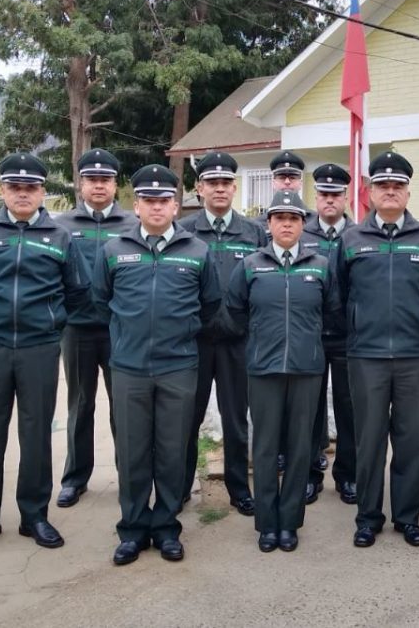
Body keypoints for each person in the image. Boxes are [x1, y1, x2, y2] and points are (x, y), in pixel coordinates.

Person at [0, 151, 89, 555]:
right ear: (3, 190)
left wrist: (51, 322)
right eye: (15, 187)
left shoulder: (59, 238)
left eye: (31, 188)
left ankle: (34, 516)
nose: (23, 194)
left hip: (39, 349)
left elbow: (77, 291)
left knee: (36, 434)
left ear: (42, 192)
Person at [92, 164, 222, 565]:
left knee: (170, 451)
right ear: (136, 204)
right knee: (132, 453)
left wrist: (179, 333)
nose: (157, 207)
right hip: (129, 368)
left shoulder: (197, 251)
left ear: (175, 205)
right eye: (149, 200)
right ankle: (132, 529)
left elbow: (210, 304)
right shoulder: (113, 250)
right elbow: (101, 302)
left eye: (164, 200)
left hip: (178, 367)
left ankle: (166, 528)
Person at [337, 151, 419, 548]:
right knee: (369, 441)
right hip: (366, 356)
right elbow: (337, 295)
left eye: (397, 186)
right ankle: (367, 517)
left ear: (408, 192)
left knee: (412, 439)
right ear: (369, 191)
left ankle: (408, 517)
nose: (390, 192)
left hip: (416, 356)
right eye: (382, 185)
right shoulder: (351, 239)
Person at [227, 190, 340, 553]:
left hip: (307, 369)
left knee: (298, 448)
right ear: (269, 224)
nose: (287, 224)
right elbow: (235, 309)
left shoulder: (320, 264)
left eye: (293, 219)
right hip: (263, 369)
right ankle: (267, 522)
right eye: (279, 218)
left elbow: (332, 309)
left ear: (303, 224)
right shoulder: (250, 265)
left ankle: (289, 522)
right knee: (264, 447)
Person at [179, 151, 266, 517]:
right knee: (187, 417)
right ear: (199, 188)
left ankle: (237, 487)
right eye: (211, 182)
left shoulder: (253, 232)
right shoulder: (184, 232)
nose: (219, 189)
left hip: (237, 341)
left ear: (235, 187)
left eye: (225, 183)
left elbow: (264, 282)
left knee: (235, 418)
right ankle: (180, 486)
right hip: (194, 341)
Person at [55, 148, 136, 509]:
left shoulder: (131, 226)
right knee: (80, 404)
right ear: (81, 184)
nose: (99, 186)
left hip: (120, 330)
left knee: (124, 406)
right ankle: (75, 478)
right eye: (92, 180)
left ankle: (129, 475)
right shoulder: (62, 227)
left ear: (115, 185)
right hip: (77, 330)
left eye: (105, 180)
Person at [300, 163, 358, 505]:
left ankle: (348, 475)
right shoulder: (302, 234)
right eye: (324, 194)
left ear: (346, 197)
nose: (330, 200)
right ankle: (308, 474)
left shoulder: (359, 235)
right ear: (316, 197)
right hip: (311, 334)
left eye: (336, 194)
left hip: (349, 336)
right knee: (309, 410)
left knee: (350, 410)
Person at [255, 150, 313, 227]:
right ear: (273, 183)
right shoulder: (257, 224)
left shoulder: (315, 220)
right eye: (282, 178)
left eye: (292, 177)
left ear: (300, 183)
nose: (287, 182)